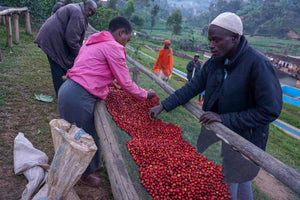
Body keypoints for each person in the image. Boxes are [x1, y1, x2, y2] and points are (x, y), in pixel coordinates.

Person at [149, 12, 282, 200]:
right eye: (210, 40)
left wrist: (224, 119)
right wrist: (164, 105)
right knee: (238, 179)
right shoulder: (216, 62)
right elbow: (193, 87)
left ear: (234, 38)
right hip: (223, 133)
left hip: (245, 138)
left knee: (230, 180)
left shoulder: (257, 64)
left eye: (216, 40)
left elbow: (270, 110)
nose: (211, 45)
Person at [58, 16, 156, 187]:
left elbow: (91, 68)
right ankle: (84, 174)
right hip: (79, 95)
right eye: (128, 39)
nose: (126, 43)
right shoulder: (113, 47)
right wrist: (145, 95)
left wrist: (110, 82)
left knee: (84, 132)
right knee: (84, 135)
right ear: (121, 33)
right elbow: (126, 82)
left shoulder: (93, 41)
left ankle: (93, 165)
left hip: (68, 89)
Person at [34, 0, 97, 96]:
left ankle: (64, 93)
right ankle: (61, 96)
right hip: (52, 40)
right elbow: (72, 40)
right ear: (84, 4)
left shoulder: (78, 10)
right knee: (58, 66)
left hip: (54, 38)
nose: (90, 13)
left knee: (62, 66)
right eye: (89, 9)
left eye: (92, 12)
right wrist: (81, 56)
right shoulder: (78, 14)